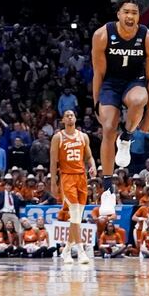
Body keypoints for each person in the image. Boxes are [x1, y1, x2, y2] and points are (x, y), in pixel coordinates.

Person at [91, 0, 149, 216]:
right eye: (126, 12)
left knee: (140, 99)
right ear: (118, 14)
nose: (130, 16)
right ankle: (108, 190)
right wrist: (96, 104)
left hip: (136, 82)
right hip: (111, 83)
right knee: (109, 127)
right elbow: (98, 74)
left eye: (135, 12)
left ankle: (128, 137)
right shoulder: (102, 35)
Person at [49, 108, 93, 265]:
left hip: (82, 177)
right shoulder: (58, 137)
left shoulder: (83, 136)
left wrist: (92, 166)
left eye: (72, 115)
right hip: (67, 177)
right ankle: (80, 252)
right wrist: (53, 182)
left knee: (77, 219)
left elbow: (89, 157)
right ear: (63, 120)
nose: (69, 117)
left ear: (75, 118)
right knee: (74, 215)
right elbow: (53, 162)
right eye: (66, 115)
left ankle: (66, 250)